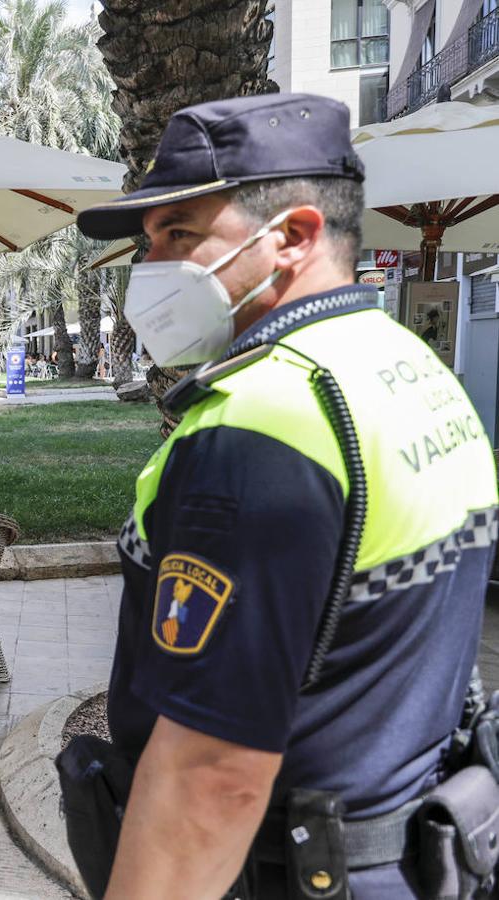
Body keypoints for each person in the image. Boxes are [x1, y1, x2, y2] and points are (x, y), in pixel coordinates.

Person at [67, 94, 498, 899]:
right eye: (148, 239)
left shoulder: (261, 422)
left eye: (181, 233)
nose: (149, 263)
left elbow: (212, 776)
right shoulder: (408, 367)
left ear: (293, 235)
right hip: (406, 859)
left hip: (287, 869)